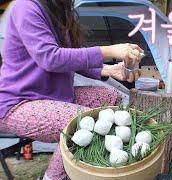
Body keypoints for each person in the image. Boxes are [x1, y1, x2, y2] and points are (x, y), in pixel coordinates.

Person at [0, 0, 143, 179]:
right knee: (82, 122)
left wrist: (108, 70)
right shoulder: (26, 6)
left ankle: (98, 167)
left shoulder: (58, 10)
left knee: (111, 99)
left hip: (54, 96)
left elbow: (70, 56)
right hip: (18, 103)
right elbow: (50, 58)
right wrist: (109, 50)